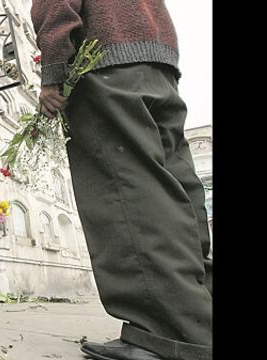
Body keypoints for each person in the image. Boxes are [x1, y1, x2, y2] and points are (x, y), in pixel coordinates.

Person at [30, 1, 212, 359]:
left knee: (125, 194)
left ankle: (166, 334)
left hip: (105, 65)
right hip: (156, 63)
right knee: (177, 190)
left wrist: (52, 74)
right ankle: (199, 318)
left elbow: (56, 6)